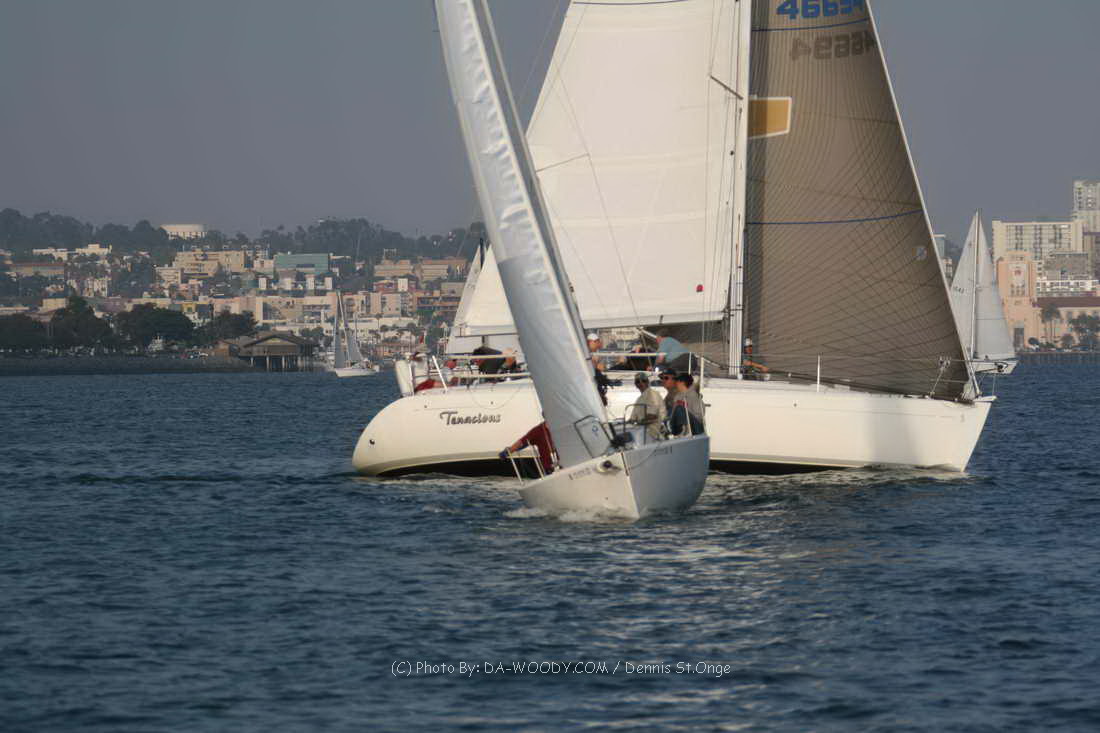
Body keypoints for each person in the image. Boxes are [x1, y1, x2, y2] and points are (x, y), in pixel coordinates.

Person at [627, 372, 666, 441]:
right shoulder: (639, 399)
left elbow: (652, 416)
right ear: (635, 384)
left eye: (643, 381)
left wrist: (638, 422)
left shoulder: (653, 394)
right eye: (637, 382)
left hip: (652, 433)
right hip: (641, 431)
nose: (641, 383)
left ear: (648, 382)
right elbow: (632, 418)